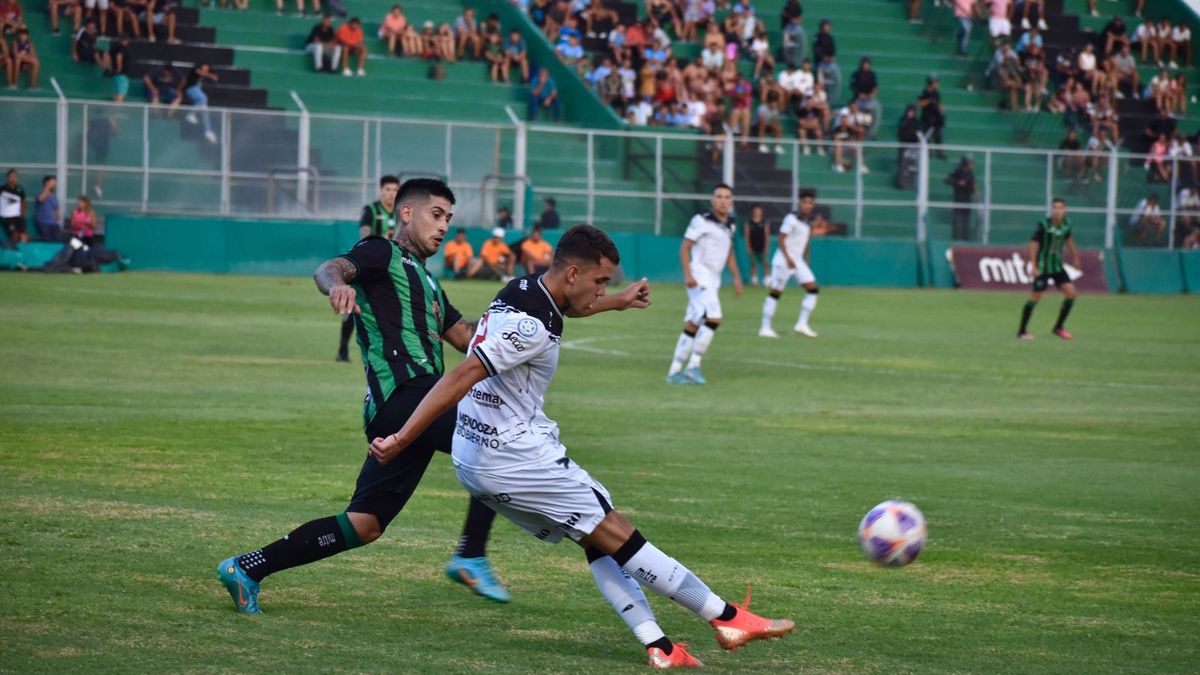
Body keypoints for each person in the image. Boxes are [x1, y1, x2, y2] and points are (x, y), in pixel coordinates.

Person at [366, 224, 795, 669]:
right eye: (600, 281)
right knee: (616, 531)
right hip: (514, 456)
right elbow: (461, 375)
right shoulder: (532, 327)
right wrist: (403, 437)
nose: (601, 290)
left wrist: (617, 301)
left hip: (476, 456)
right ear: (573, 273)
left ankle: (660, 646)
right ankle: (726, 617)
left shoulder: (524, 290)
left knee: (594, 534)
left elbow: (570, 308)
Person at [217, 179, 509, 615]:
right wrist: (337, 285)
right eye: (436, 215)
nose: (444, 226)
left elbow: (464, 337)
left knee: (365, 524)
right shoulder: (381, 252)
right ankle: (471, 552)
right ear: (406, 213)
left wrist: (525, 318)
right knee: (494, 441)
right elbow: (329, 268)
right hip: (405, 394)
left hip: (406, 410)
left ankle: (247, 567)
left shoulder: (428, 283)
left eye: (449, 218)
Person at [666, 183, 743, 385]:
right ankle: (693, 366)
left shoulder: (731, 224)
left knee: (694, 322)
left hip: (713, 280)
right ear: (712, 200)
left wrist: (737, 278)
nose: (723, 201)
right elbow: (685, 248)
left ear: (732, 201)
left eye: (727, 197)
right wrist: (688, 274)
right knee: (714, 317)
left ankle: (674, 371)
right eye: (719, 196)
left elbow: (729, 252)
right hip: (699, 276)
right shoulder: (701, 220)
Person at [338, 175, 400, 363]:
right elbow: (364, 236)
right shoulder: (371, 211)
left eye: (395, 190)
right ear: (381, 191)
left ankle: (391, 352)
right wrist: (382, 240)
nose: (391, 194)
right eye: (388, 189)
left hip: (392, 269)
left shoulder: (401, 213)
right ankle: (343, 349)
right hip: (368, 266)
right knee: (353, 307)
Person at [759, 191, 822, 339]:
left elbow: (805, 243)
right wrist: (788, 259)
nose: (807, 205)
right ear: (799, 203)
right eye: (805, 202)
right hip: (784, 260)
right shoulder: (791, 218)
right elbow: (781, 238)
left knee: (813, 289)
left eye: (810, 203)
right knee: (776, 293)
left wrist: (805, 260)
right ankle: (765, 328)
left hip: (797, 261)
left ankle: (802, 324)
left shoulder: (807, 222)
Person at [1017, 198, 1080, 341]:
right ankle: (1022, 331)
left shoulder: (1067, 224)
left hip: (1057, 266)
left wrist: (1075, 257)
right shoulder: (1043, 225)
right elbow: (1033, 243)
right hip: (1042, 267)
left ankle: (1058, 327)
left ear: (1065, 210)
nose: (1057, 211)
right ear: (1051, 210)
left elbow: (1068, 239)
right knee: (1035, 297)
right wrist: (1033, 266)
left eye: (1060, 208)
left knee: (1071, 293)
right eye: (1055, 208)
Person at [184, 62, 219, 144]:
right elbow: (200, 72)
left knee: (205, 110)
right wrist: (211, 75)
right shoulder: (195, 70)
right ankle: (191, 114)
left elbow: (202, 73)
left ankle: (208, 131)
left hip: (197, 91)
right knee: (204, 98)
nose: (206, 70)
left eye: (207, 69)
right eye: (204, 68)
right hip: (191, 90)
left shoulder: (201, 75)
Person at [946, 157, 976, 240]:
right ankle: (956, 238)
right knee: (957, 220)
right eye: (969, 163)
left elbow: (973, 186)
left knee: (966, 221)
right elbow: (947, 179)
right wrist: (957, 182)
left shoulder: (970, 174)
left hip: (967, 200)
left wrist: (975, 194)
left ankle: (965, 238)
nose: (971, 165)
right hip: (958, 199)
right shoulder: (958, 172)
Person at [743, 203, 769, 287]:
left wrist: (766, 247)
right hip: (753, 246)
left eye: (759, 211)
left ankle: (767, 282)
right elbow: (747, 236)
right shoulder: (749, 223)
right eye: (756, 211)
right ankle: (755, 282)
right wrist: (748, 247)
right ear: (753, 212)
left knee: (765, 263)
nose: (758, 212)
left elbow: (767, 235)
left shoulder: (764, 222)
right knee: (753, 264)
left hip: (762, 246)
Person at [1, 169, 27, 242]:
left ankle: (23, 248)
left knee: (24, 235)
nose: (12, 179)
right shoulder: (2, 189)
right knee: (14, 234)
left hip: (18, 216)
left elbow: (23, 202)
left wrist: (23, 213)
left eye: (14, 177)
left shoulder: (20, 189)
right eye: (11, 177)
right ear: (7, 178)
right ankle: (13, 247)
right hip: (7, 217)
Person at [35, 175, 62, 242]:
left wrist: (58, 216)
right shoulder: (39, 192)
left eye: (55, 183)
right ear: (47, 183)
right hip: (43, 222)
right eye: (53, 183)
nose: (55, 185)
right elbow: (41, 199)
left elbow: (56, 208)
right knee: (47, 242)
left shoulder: (54, 195)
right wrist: (47, 188)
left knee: (57, 241)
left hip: (54, 223)